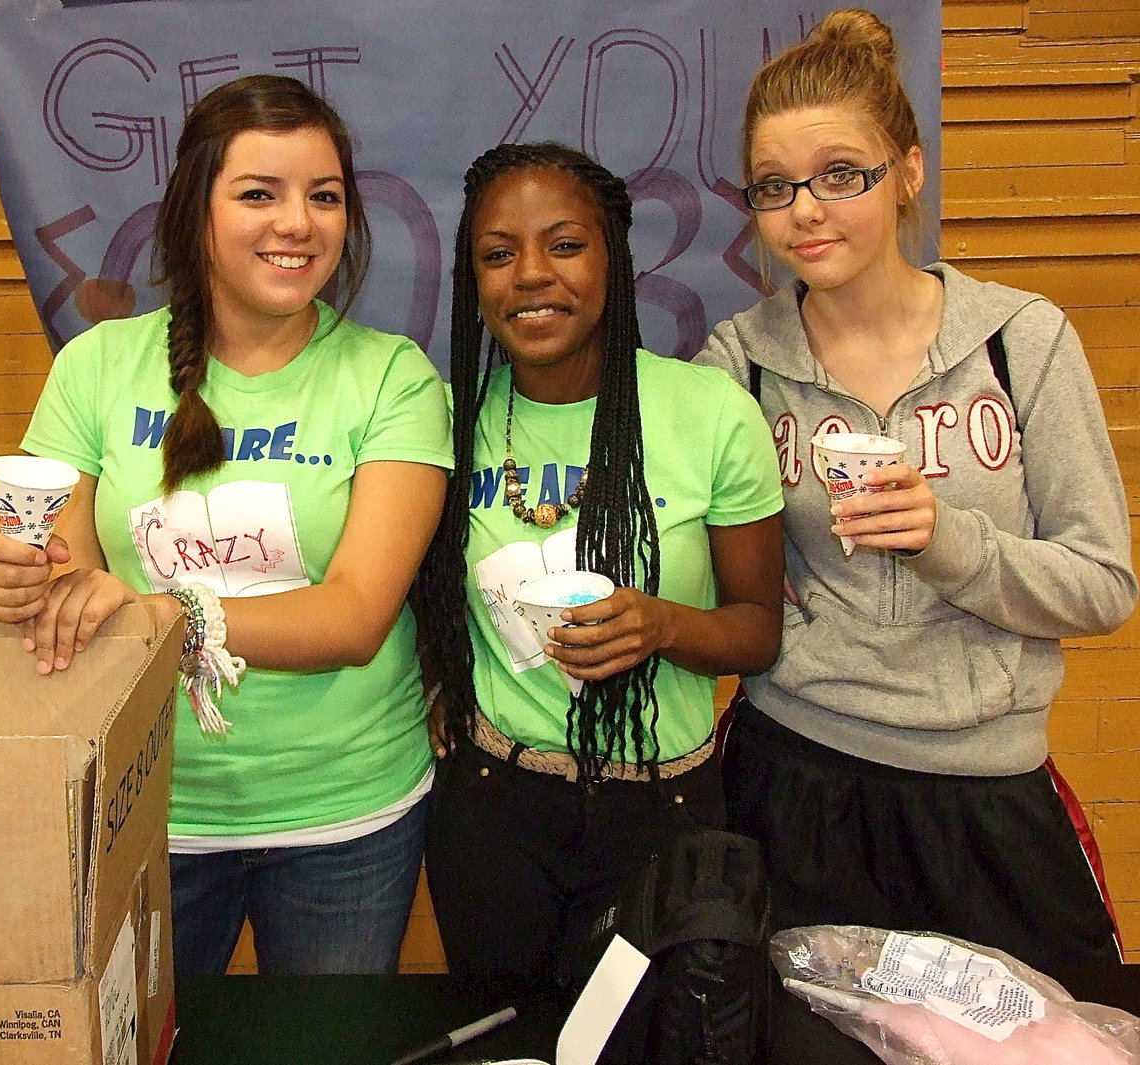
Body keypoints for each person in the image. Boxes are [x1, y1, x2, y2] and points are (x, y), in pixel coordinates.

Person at [0, 74, 453, 977]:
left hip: (344, 815)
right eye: (259, 193)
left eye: (325, 196)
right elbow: (65, 580)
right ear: (198, 211)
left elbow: (352, 618)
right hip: (146, 803)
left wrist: (156, 612)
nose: (297, 223)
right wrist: (8, 576)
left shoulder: (395, 377)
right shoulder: (98, 365)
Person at [695, 10, 1138, 975]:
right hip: (796, 780)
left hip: (984, 793)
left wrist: (951, 541)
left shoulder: (1022, 341)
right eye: (777, 187)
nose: (806, 211)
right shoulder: (738, 363)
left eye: (840, 175)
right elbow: (702, 576)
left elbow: (1103, 585)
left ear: (908, 170)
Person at [416, 141, 785, 996]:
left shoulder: (710, 414)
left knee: (654, 1039)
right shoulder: (447, 419)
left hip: (664, 812)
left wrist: (662, 624)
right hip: (491, 807)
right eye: (498, 255)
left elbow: (758, 631)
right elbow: (416, 590)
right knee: (508, 1034)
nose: (531, 275)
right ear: (475, 281)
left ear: (613, 260)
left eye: (565, 245)